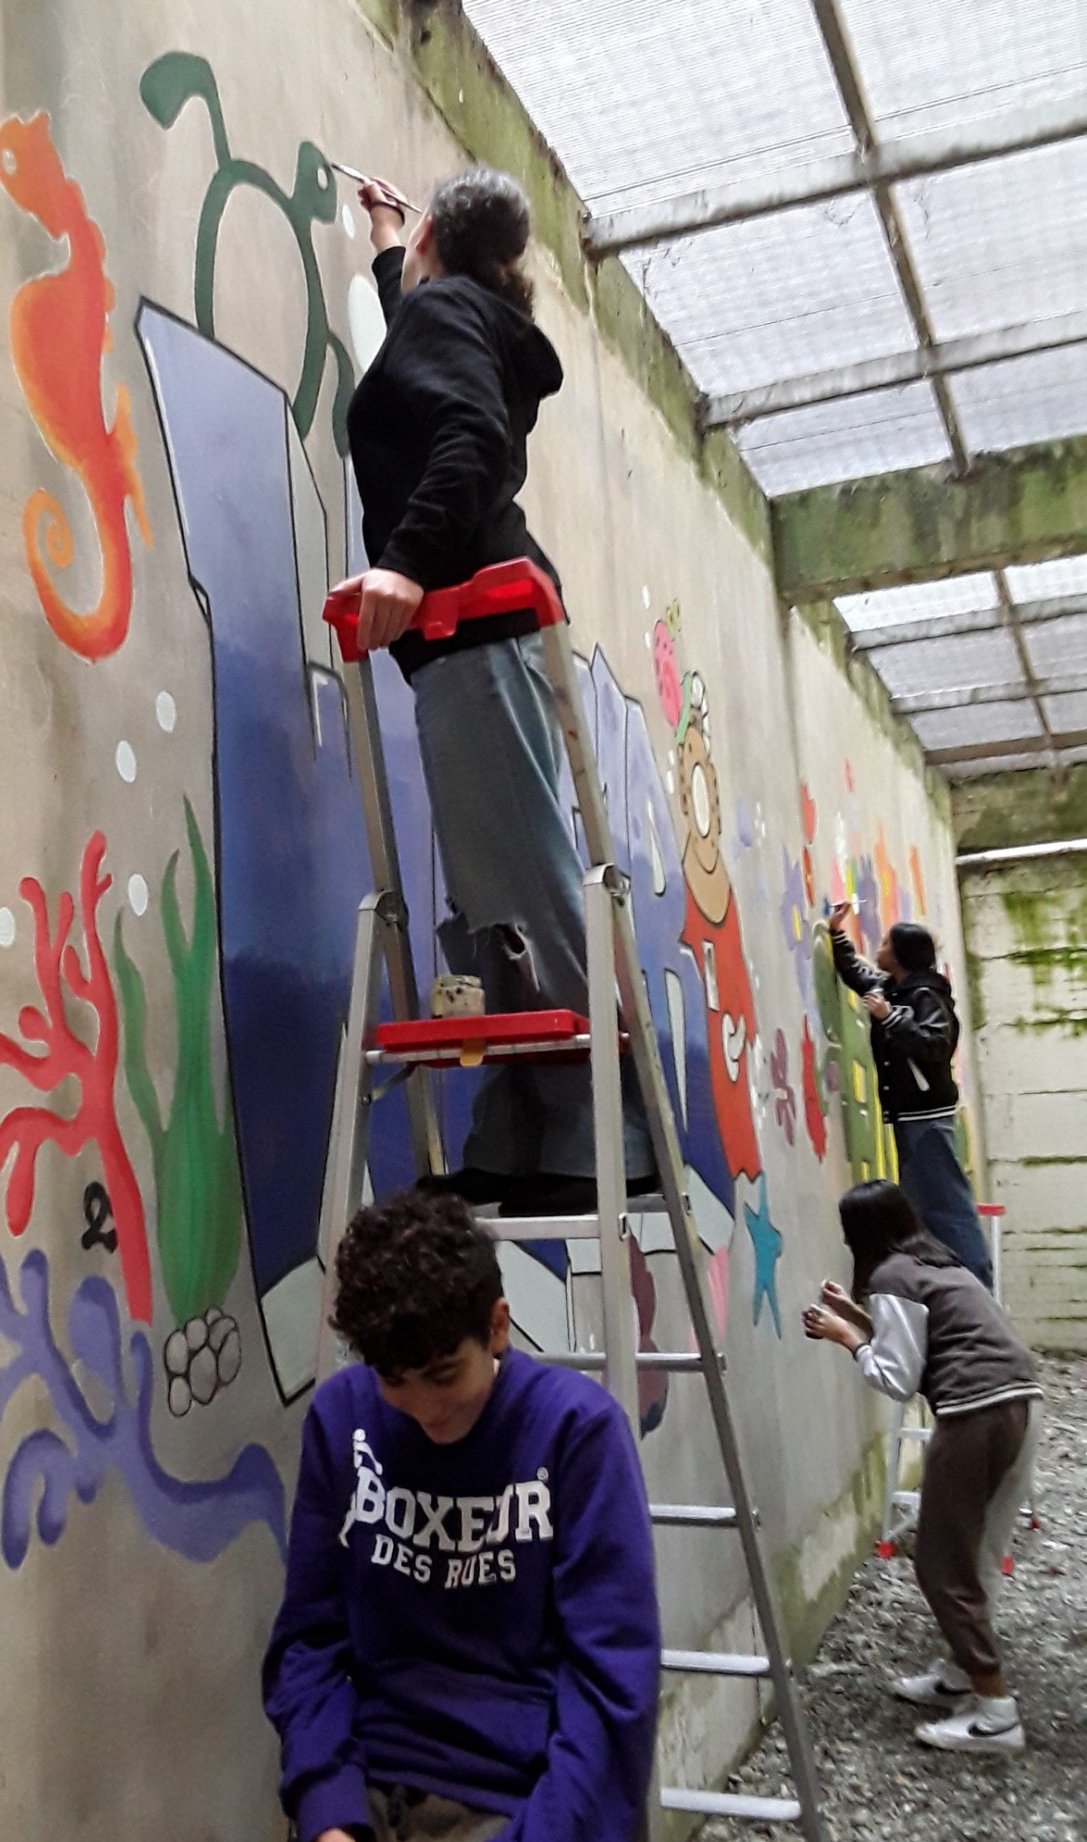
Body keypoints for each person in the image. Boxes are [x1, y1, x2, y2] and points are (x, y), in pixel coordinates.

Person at [338, 166, 655, 1218]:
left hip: (472, 630)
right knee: (492, 906)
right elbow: (425, 349)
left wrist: (404, 564)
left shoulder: (448, 319)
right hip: (471, 644)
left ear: (441, 234)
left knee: (524, 894)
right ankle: (517, 1143)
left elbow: (467, 430)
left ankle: (611, 1137)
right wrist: (390, 245)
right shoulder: (457, 314)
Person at [263, 1190, 660, 1842]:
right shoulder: (342, 1419)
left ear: (498, 1327)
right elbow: (306, 1645)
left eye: (445, 1373)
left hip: (528, 1806)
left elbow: (612, 1693)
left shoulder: (578, 1433)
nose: (425, 1406)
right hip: (371, 1798)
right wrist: (330, 1821)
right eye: (395, 1381)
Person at [803, 1180, 1041, 1756]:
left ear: (861, 1234)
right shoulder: (935, 1263)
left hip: (977, 1415)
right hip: (1020, 1403)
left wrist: (846, 1337)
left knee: (940, 1565)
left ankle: (996, 1712)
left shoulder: (892, 1277)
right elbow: (922, 1342)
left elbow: (896, 1376)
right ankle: (962, 1672)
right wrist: (858, 1317)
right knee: (976, 1557)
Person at [827, 903, 992, 1288]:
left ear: (901, 953)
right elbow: (860, 975)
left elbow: (936, 1044)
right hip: (910, 1115)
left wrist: (891, 1018)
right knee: (924, 1206)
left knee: (947, 1207)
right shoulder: (895, 989)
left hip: (928, 1117)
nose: (879, 947)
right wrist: (836, 934)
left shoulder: (926, 996)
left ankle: (978, 1287)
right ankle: (950, 1285)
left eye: (886, 943)